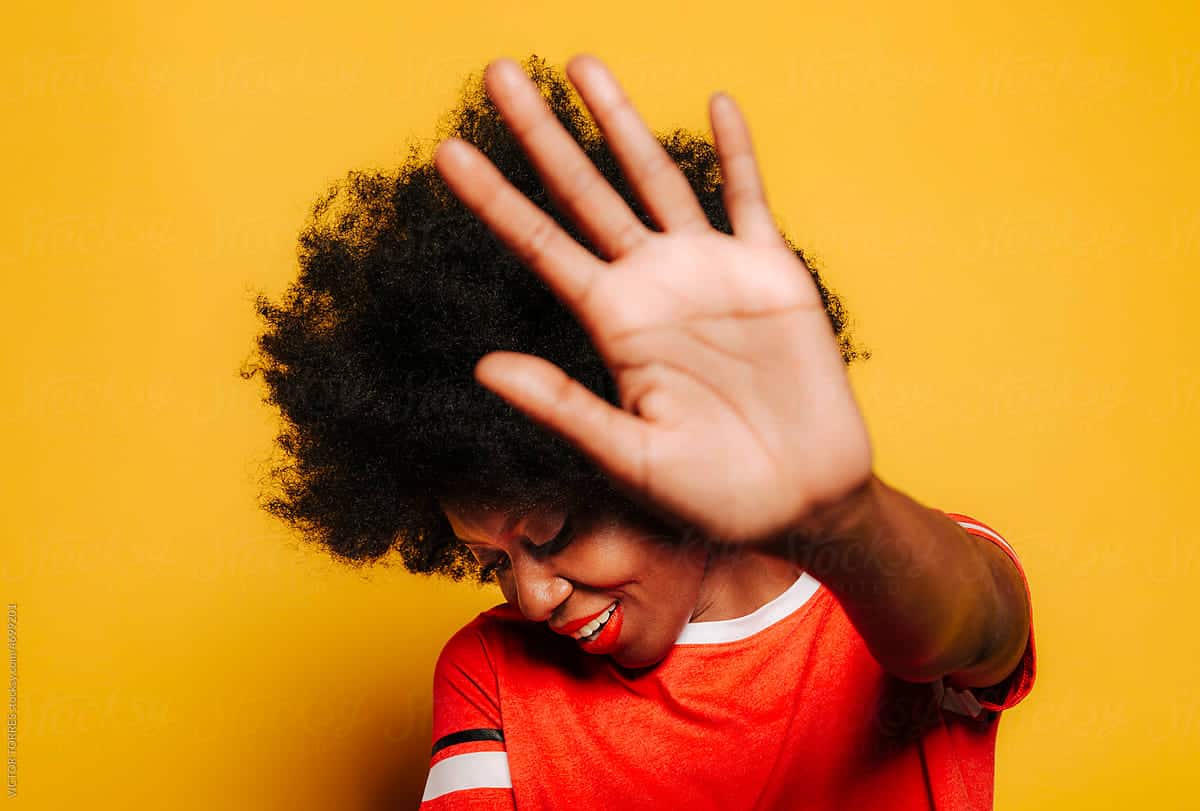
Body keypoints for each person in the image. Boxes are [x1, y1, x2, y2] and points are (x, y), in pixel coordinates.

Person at [242, 53, 1035, 810]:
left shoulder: (894, 580)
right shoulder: (492, 670)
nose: (533, 593)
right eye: (492, 563)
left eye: (550, 531)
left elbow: (971, 629)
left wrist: (838, 516)